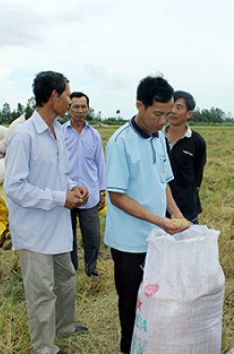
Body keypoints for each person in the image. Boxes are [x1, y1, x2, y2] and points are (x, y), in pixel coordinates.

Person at [4, 71, 89, 354]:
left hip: (57, 225)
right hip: (35, 231)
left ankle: (64, 326)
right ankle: (43, 347)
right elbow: (15, 188)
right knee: (42, 292)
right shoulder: (24, 136)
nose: (69, 100)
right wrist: (59, 198)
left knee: (66, 278)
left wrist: (73, 189)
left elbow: (59, 175)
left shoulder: (57, 133)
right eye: (66, 95)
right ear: (53, 96)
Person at [104, 75, 190, 353]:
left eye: (168, 114)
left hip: (156, 236)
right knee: (131, 302)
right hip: (129, 242)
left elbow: (162, 180)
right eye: (157, 114)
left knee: (154, 298)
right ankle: (129, 348)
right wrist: (160, 221)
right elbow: (117, 197)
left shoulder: (158, 139)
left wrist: (176, 215)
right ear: (139, 105)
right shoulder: (121, 142)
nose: (163, 120)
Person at [62, 91, 107, 284]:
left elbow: (100, 164)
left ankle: (92, 270)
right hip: (67, 193)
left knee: (92, 235)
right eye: (75, 107)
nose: (80, 111)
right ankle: (71, 270)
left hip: (91, 194)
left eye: (83, 107)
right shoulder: (60, 133)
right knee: (67, 235)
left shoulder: (94, 135)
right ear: (68, 109)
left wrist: (102, 191)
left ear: (88, 109)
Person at [165, 90, 206, 223]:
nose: (173, 111)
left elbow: (197, 176)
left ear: (189, 113)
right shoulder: (156, 138)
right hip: (159, 209)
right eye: (171, 106)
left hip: (186, 210)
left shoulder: (197, 141)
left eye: (179, 107)